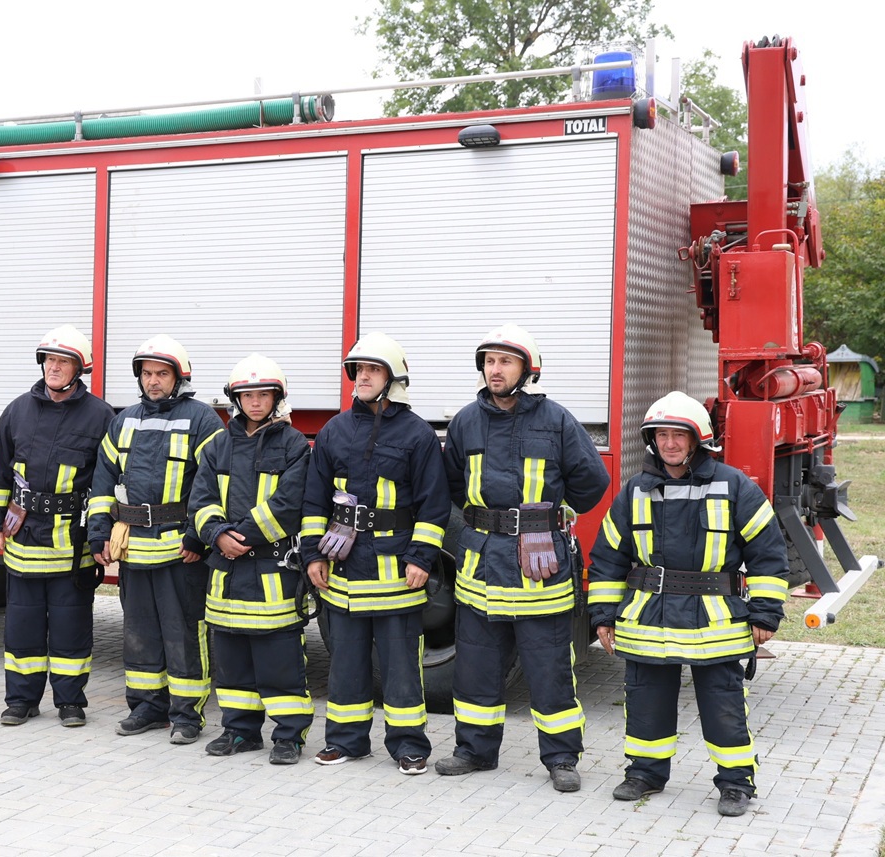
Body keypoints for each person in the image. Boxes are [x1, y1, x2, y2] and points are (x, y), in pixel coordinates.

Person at [588, 391, 788, 817]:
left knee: (724, 705)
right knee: (645, 700)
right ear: (651, 440)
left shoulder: (734, 486)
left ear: (699, 439)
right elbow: (607, 556)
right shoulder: (635, 490)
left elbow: (769, 554)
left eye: (679, 435)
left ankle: (736, 783)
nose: (670, 443)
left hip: (714, 620)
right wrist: (603, 615)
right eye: (661, 435)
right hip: (648, 619)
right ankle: (644, 773)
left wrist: (766, 612)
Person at [437, 324, 609, 791]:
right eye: (489, 361)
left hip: (540, 567)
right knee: (475, 666)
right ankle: (474, 750)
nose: (495, 370)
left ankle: (561, 759)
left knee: (549, 667)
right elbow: (453, 483)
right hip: (481, 564)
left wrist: (547, 518)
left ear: (526, 370)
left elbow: (592, 482)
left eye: (504, 361)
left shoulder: (555, 420)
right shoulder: (466, 422)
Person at [301, 332, 449, 775]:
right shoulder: (334, 431)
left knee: (402, 668)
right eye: (358, 370)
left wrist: (422, 558)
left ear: (393, 379)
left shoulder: (417, 434)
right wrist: (313, 555)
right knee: (345, 664)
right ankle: (346, 741)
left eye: (372, 370)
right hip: (344, 572)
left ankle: (409, 746)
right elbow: (315, 501)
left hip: (396, 577)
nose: (361, 378)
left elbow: (433, 503)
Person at [87, 334, 224, 744]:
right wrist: (98, 534)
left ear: (178, 378)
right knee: (139, 632)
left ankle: (187, 715)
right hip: (133, 549)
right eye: (146, 373)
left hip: (180, 549)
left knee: (184, 633)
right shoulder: (123, 419)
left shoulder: (202, 420)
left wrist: (199, 538)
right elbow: (103, 482)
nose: (152, 381)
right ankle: (146, 707)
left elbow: (214, 486)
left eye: (161, 374)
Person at [0, 325, 114, 728]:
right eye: (50, 360)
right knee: (21, 627)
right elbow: (0, 474)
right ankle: (21, 700)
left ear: (79, 368)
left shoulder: (101, 416)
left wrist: (100, 536)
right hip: (23, 540)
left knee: (71, 628)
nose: (54, 368)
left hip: (70, 545)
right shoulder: (18, 410)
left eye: (63, 361)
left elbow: (106, 481)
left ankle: (70, 701)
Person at [188, 354, 314, 764]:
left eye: (263, 395)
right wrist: (217, 534)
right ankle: (240, 731)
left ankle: (288, 736)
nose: (255, 402)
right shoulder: (217, 446)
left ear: (277, 398)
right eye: (247, 395)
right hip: (226, 571)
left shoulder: (295, 445)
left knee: (279, 659)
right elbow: (200, 501)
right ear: (234, 399)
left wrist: (237, 535)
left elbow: (289, 504)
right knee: (231, 659)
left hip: (272, 570)